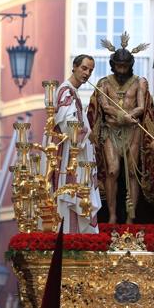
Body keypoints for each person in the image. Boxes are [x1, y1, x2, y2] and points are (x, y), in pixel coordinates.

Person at [87, 32, 154, 224]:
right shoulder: (103, 83)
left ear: (130, 65)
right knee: (112, 170)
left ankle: (130, 216)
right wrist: (121, 116)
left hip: (132, 131)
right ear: (113, 64)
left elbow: (142, 106)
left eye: (125, 66)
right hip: (111, 131)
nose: (121, 69)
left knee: (132, 173)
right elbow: (104, 106)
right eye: (118, 66)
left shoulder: (140, 82)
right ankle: (111, 215)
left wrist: (130, 116)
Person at [51, 54, 102, 233]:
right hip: (69, 155)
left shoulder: (73, 92)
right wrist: (88, 133)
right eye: (84, 68)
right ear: (74, 67)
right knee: (71, 195)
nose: (87, 73)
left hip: (77, 153)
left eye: (90, 70)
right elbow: (67, 124)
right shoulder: (66, 91)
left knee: (78, 196)